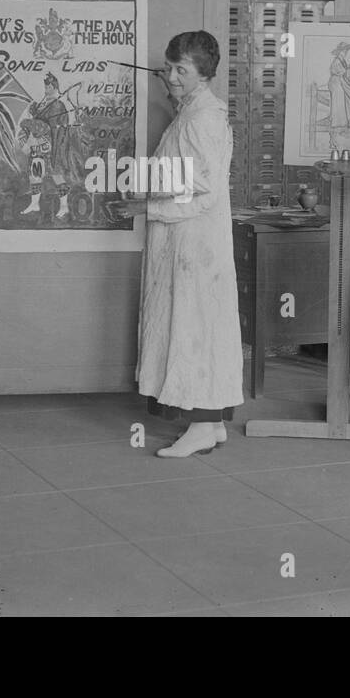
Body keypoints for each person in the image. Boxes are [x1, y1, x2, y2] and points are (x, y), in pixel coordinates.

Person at [114, 31, 243, 457]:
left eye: (180, 70)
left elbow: (202, 192)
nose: (169, 76)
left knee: (194, 329)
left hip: (195, 245)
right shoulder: (194, 112)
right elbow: (183, 176)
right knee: (194, 328)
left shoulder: (202, 118)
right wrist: (149, 197)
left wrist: (147, 210)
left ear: (204, 75)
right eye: (169, 67)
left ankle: (204, 427)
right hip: (187, 243)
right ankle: (210, 423)